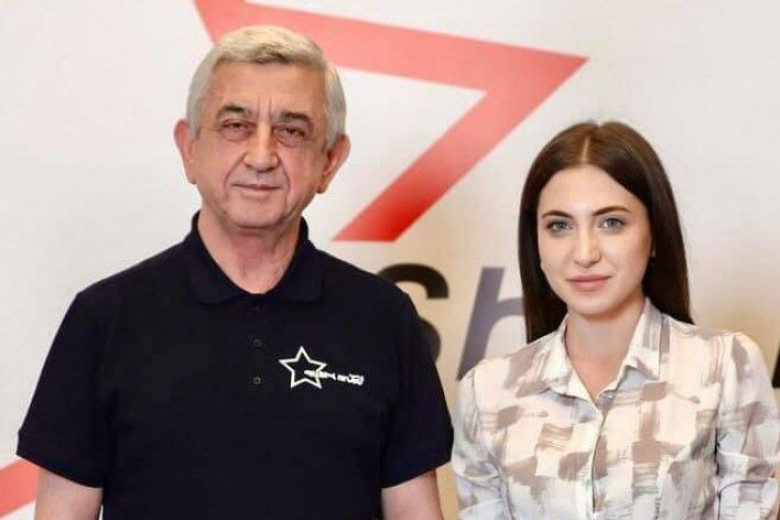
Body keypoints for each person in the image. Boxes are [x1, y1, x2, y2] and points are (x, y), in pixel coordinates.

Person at [18, 25, 452, 519]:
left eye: (292, 131)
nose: (262, 157)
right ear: (189, 148)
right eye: (235, 125)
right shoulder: (104, 318)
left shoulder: (384, 318)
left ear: (329, 161)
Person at [452, 121, 779, 518]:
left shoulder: (725, 367)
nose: (585, 253)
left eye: (611, 223)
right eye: (559, 226)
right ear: (535, 243)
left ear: (654, 234)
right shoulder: (487, 392)